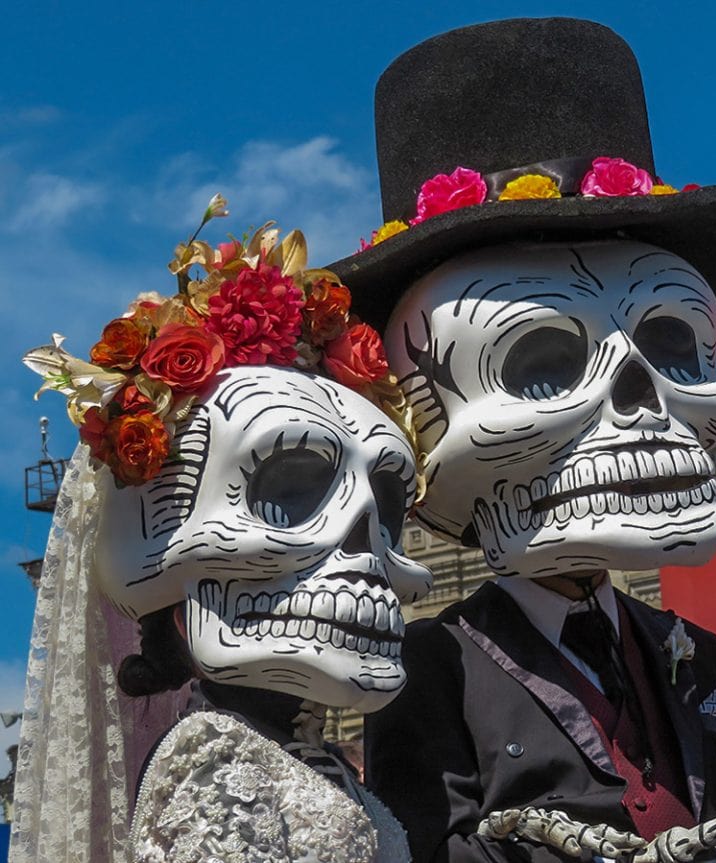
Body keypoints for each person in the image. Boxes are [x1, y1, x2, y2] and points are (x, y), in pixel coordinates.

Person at [328, 18, 716, 863]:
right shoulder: (431, 671)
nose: (634, 402)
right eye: (538, 366)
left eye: (670, 345)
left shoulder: (702, 658)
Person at [11, 201, 432, 862]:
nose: (365, 546)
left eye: (386, 506)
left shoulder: (296, 754)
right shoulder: (213, 763)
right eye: (291, 491)